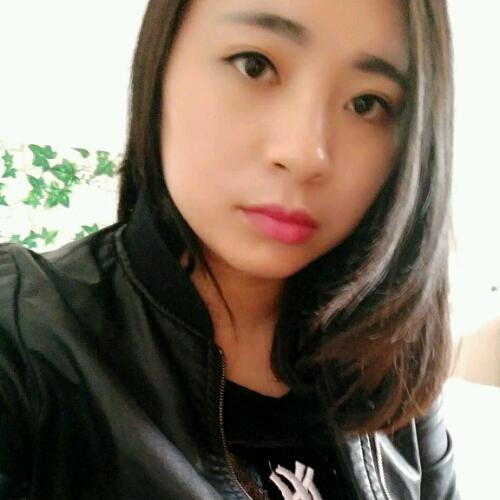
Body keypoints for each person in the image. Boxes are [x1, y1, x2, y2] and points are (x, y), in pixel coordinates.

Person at [0, 0, 460, 498]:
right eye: (254, 65)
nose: (305, 154)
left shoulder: (389, 357)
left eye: (367, 103)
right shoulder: (25, 337)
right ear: (161, 62)